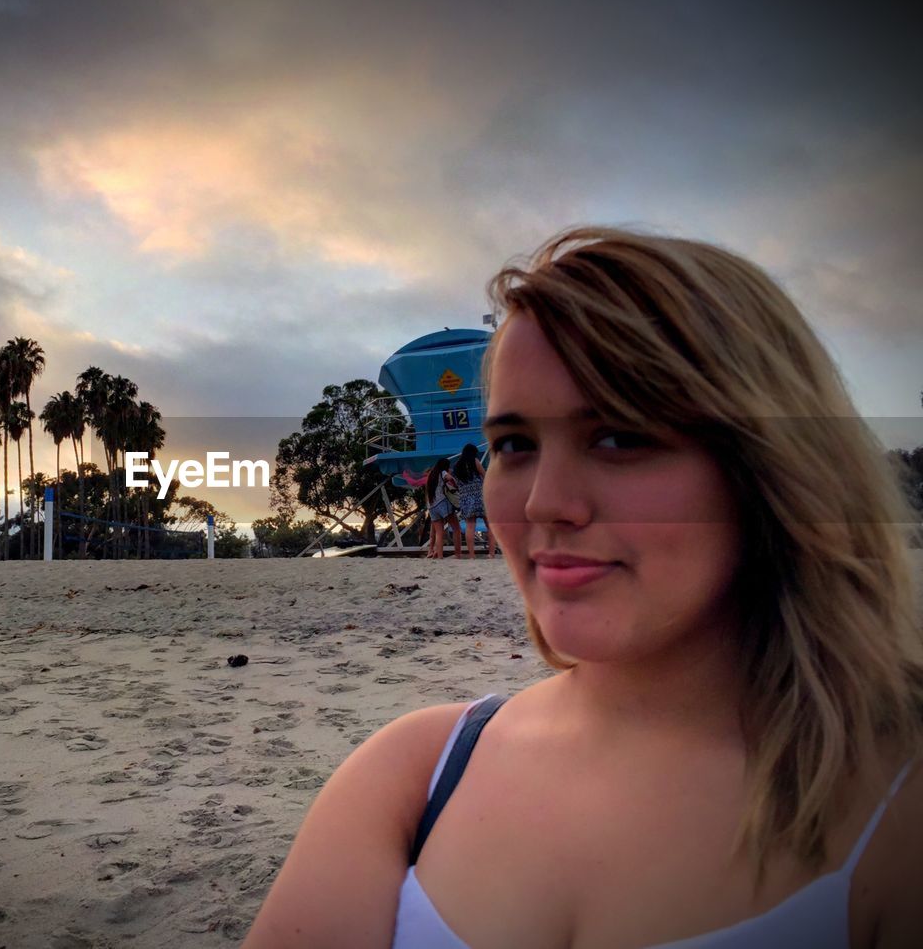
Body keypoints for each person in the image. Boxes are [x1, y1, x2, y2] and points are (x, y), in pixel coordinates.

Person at [242, 227, 923, 948]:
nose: (543, 502)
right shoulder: (414, 776)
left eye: (617, 436)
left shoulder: (893, 804)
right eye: (514, 445)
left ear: (768, 464)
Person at [451, 442, 494, 560]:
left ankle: (471, 555)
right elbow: (485, 476)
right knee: (489, 525)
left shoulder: (456, 466)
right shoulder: (475, 462)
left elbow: (455, 483)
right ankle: (491, 553)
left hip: (465, 498)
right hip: (480, 496)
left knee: (470, 526)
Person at [424, 457, 462, 559]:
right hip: (442, 503)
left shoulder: (431, 474)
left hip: (432, 506)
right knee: (456, 528)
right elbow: (451, 479)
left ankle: (440, 556)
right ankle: (458, 554)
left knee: (439, 532)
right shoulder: (443, 472)